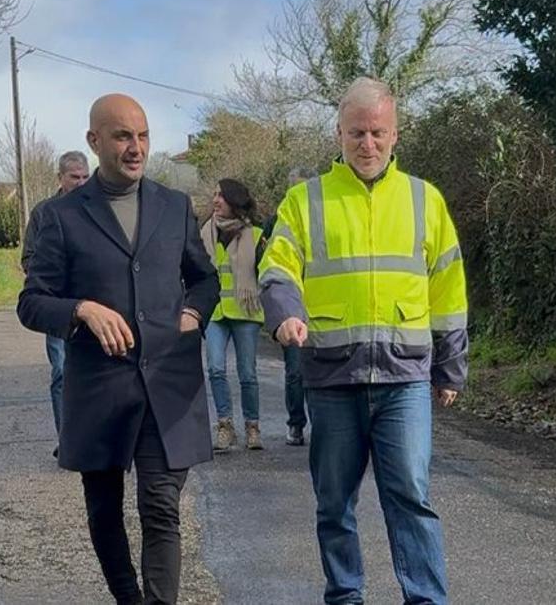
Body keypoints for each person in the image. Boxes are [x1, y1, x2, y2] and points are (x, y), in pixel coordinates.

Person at [259, 77, 469, 605]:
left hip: (405, 379)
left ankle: (426, 599)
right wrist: (284, 314)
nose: (367, 144)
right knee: (334, 504)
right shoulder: (305, 201)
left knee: (412, 500)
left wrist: (450, 368)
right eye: (357, 133)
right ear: (339, 132)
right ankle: (345, 595)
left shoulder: (425, 200)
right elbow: (277, 267)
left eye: (377, 132)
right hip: (332, 376)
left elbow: (448, 288)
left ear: (395, 134)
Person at [17, 93, 219, 605]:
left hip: (167, 384)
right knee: (103, 510)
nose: (136, 147)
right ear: (94, 141)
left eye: (143, 135)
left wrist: (193, 314)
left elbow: (204, 280)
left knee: (160, 506)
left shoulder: (174, 207)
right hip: (100, 387)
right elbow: (32, 302)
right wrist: (81, 308)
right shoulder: (60, 217)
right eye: (123, 136)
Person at [21, 150, 90, 457]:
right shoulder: (44, 213)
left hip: (95, 306)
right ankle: (69, 441)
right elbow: (28, 258)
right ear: (60, 178)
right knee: (62, 370)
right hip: (59, 309)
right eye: (74, 177)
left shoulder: (99, 208)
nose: (81, 182)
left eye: (85, 176)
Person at [200, 178, 266, 452]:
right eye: (214, 195)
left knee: (247, 373)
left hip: (246, 312)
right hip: (215, 312)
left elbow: (268, 276)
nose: (215, 200)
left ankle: (252, 426)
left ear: (234, 201)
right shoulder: (203, 233)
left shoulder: (258, 235)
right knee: (215, 368)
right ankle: (225, 425)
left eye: (221, 196)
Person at [259, 166, 318, 446]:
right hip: (290, 306)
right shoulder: (275, 223)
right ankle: (296, 423)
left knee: (320, 370)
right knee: (295, 369)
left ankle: (324, 426)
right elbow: (268, 262)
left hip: (323, 308)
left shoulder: (323, 216)